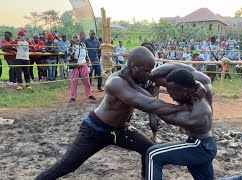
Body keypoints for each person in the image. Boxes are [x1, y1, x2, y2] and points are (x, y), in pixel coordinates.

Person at [35, 46, 194, 180]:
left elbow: (176, 75)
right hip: (95, 130)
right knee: (66, 166)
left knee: (150, 150)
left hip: (120, 129)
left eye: (151, 70)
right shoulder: (115, 82)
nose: (150, 74)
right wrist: (184, 109)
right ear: (134, 67)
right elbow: (149, 103)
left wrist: (196, 86)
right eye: (147, 70)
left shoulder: (139, 76)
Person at [145, 68, 242, 180]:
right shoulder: (199, 91)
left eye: (172, 93)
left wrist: (146, 99)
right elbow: (179, 67)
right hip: (206, 145)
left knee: (153, 154)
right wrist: (151, 75)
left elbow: (169, 118)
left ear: (185, 91)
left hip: (200, 147)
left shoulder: (199, 113)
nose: (171, 96)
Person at [67, 34, 96, 103]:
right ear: (72, 38)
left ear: (79, 38)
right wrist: (72, 46)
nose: (75, 38)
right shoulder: (70, 46)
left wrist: (89, 65)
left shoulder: (83, 45)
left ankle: (89, 94)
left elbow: (86, 55)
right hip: (75, 66)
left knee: (86, 80)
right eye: (74, 37)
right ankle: (73, 97)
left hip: (83, 64)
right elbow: (69, 55)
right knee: (74, 81)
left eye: (76, 37)